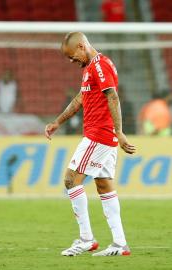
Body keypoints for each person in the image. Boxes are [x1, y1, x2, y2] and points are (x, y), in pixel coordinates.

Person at [45, 32, 136, 256]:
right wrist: (58, 121)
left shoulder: (100, 66)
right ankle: (120, 243)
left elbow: (112, 97)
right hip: (102, 135)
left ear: (82, 46)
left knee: (70, 179)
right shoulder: (90, 69)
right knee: (104, 185)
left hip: (99, 135)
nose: (71, 61)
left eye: (72, 56)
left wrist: (119, 132)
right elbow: (80, 99)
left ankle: (86, 239)